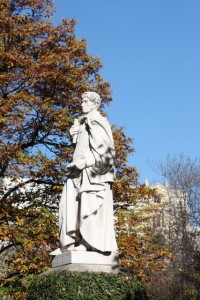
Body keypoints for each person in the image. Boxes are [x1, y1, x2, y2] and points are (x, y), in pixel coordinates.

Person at [52, 92, 118, 254]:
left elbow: (105, 154)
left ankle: (89, 243)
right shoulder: (84, 122)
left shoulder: (97, 121)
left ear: (95, 104)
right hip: (77, 173)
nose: (82, 104)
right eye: (81, 101)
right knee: (69, 207)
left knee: (88, 207)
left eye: (86, 101)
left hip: (92, 173)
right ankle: (74, 242)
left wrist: (83, 163)